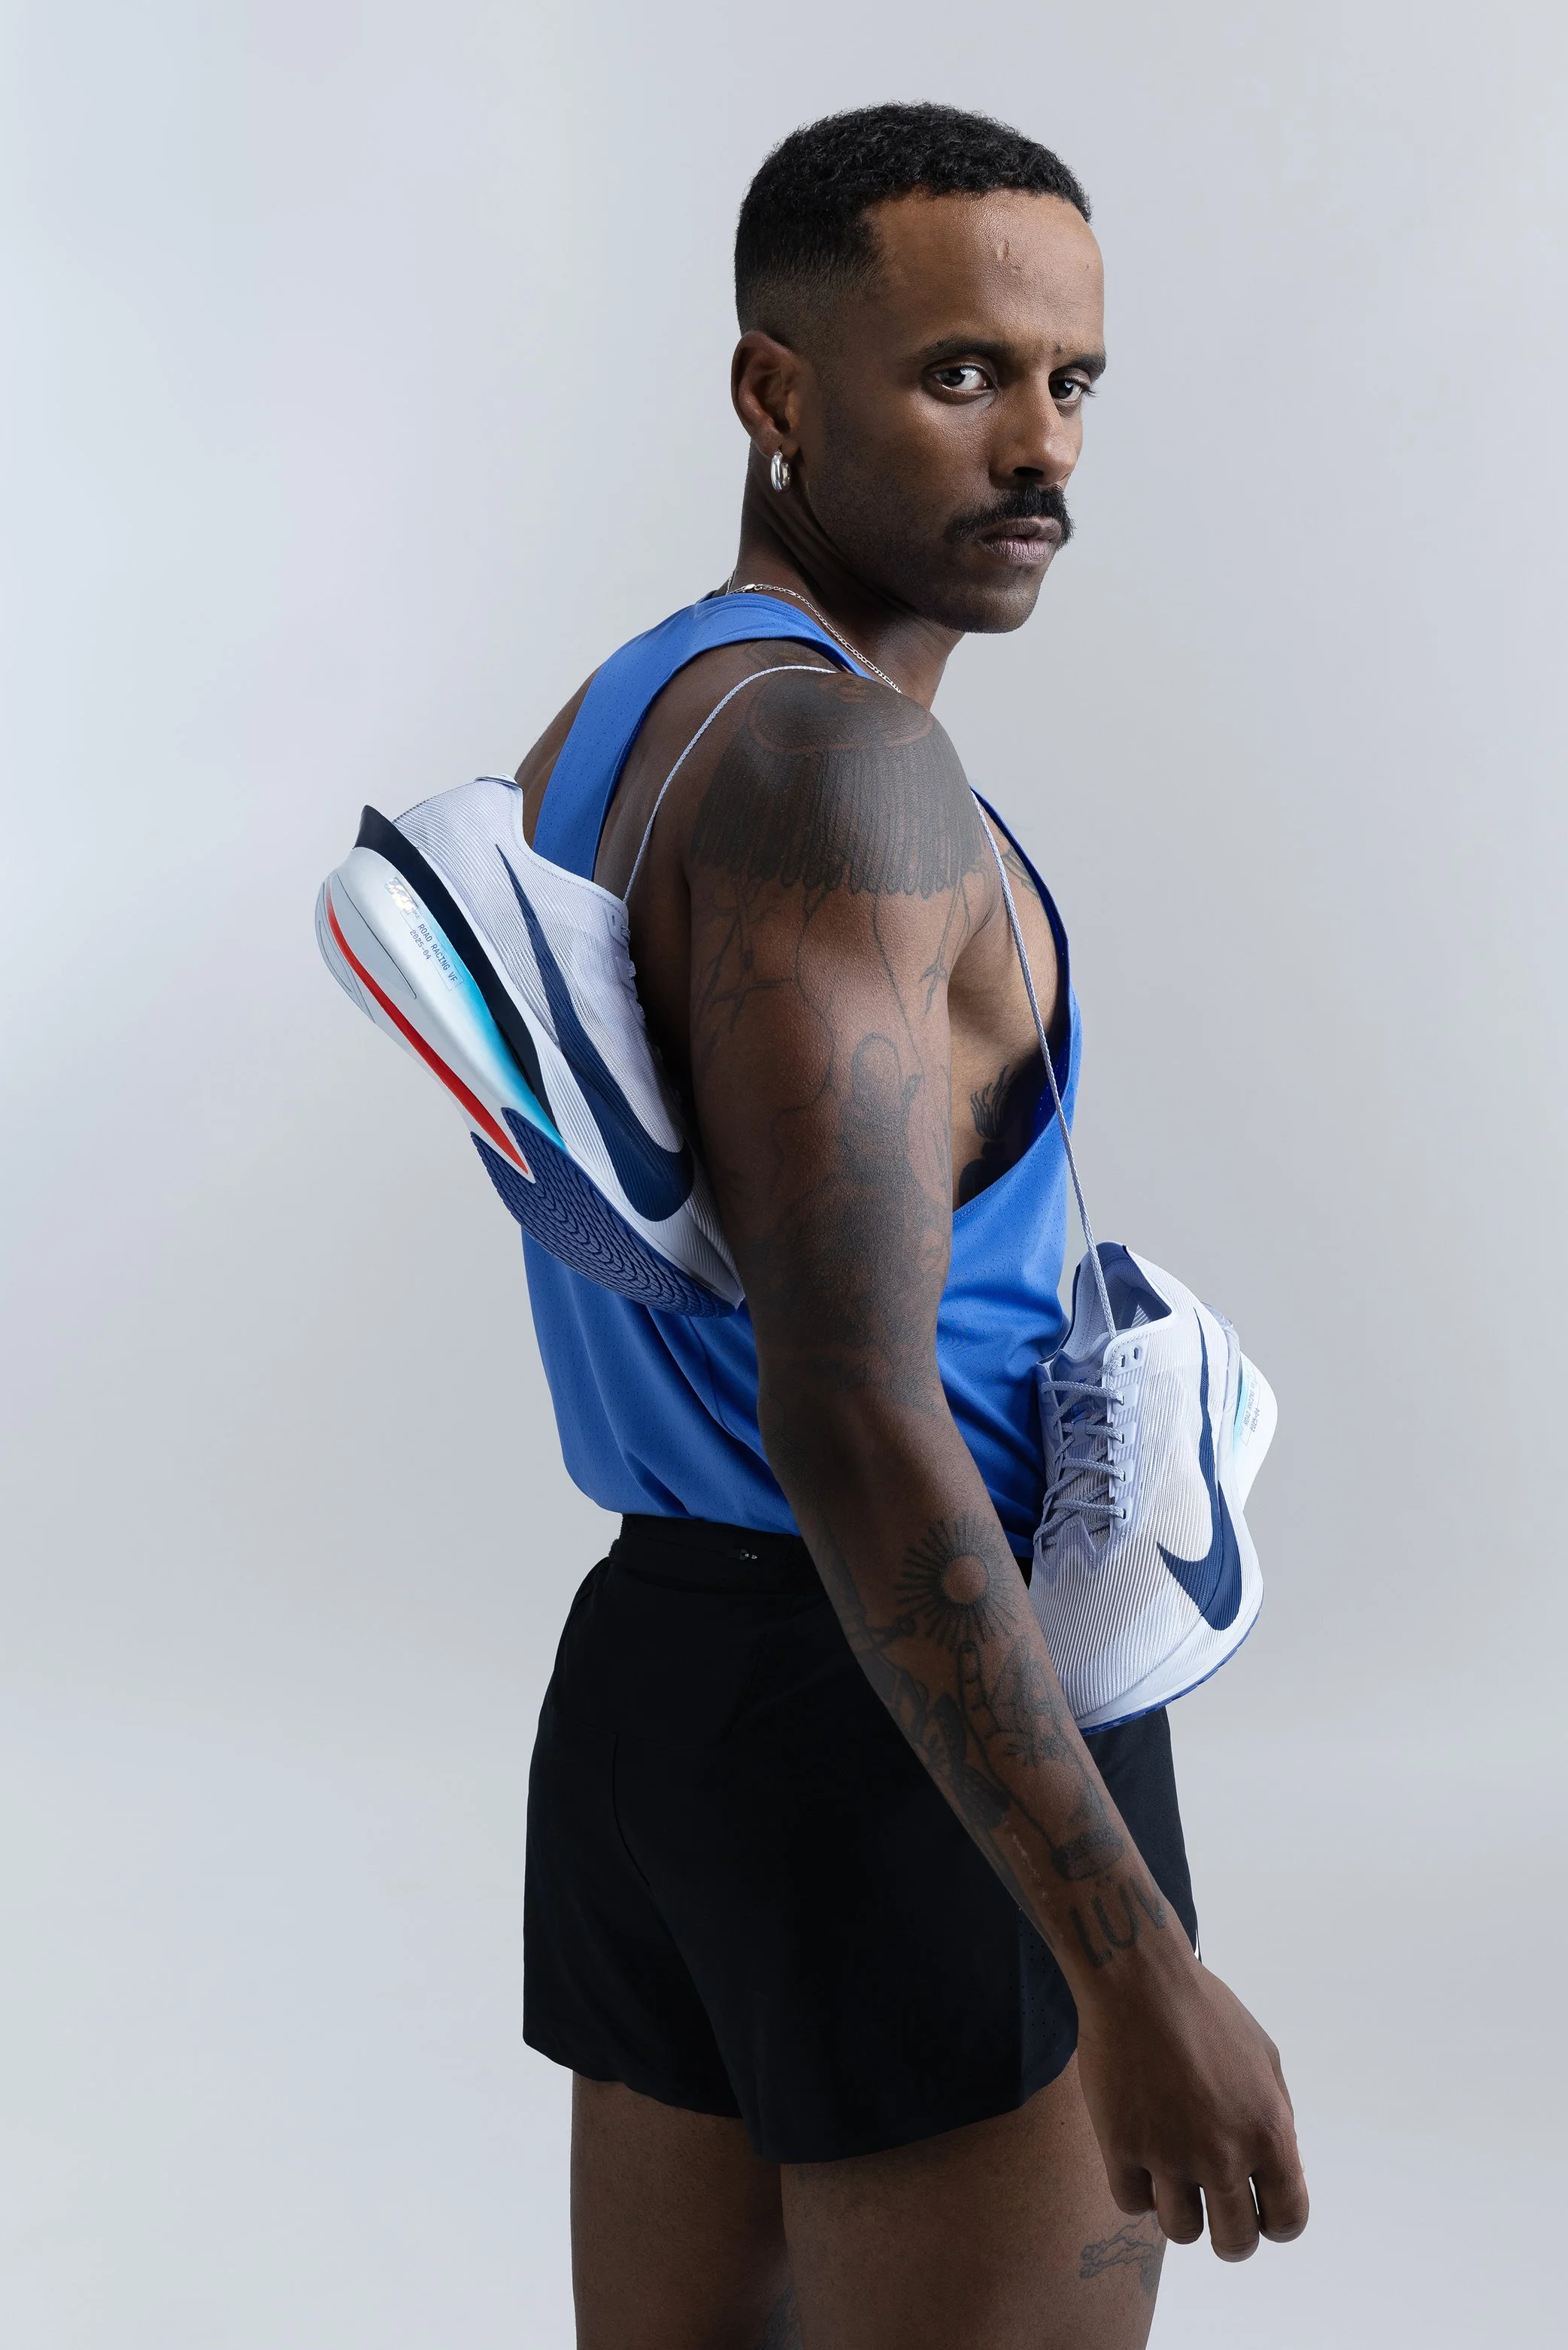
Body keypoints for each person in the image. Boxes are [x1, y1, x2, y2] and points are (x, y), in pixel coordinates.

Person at [511, 103, 1307, 2348]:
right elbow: (854, 1405)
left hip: (672, 1677)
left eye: (1072, 383)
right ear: (773, 391)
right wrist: (1130, 1963)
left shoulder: (630, 714)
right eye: (962, 375)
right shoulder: (845, 775)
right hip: (911, 1718)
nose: (1038, 448)